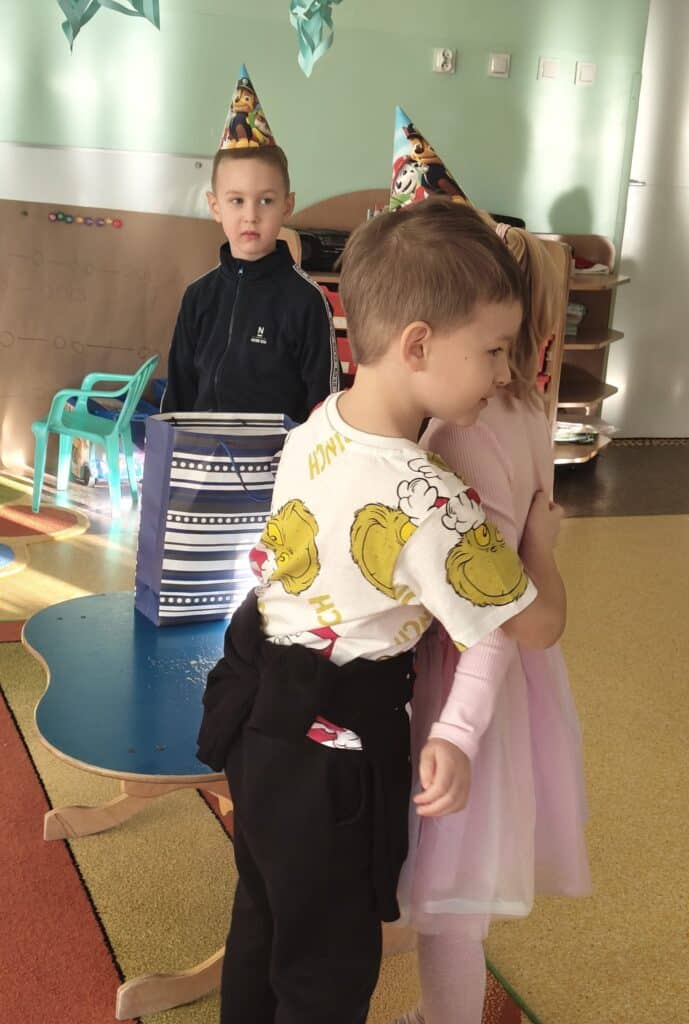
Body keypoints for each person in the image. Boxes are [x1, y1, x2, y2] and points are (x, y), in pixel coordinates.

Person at [196, 199, 568, 1024]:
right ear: (419, 345)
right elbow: (536, 627)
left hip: (254, 719)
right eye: (494, 351)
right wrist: (539, 544)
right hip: (336, 749)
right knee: (327, 968)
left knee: (263, 922)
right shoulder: (431, 499)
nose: (504, 374)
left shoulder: (313, 427)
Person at [393, 225, 592, 1024]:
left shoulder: (464, 430)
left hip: (467, 672)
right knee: (457, 881)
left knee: (449, 887)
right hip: (506, 674)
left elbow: (511, 616)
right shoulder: (529, 408)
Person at [162, 66, 339, 419]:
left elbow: (324, 404)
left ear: (287, 205)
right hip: (203, 450)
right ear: (215, 206)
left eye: (266, 200)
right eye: (236, 200)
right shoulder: (198, 297)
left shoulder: (307, 301)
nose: (251, 215)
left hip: (278, 454)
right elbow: (179, 390)